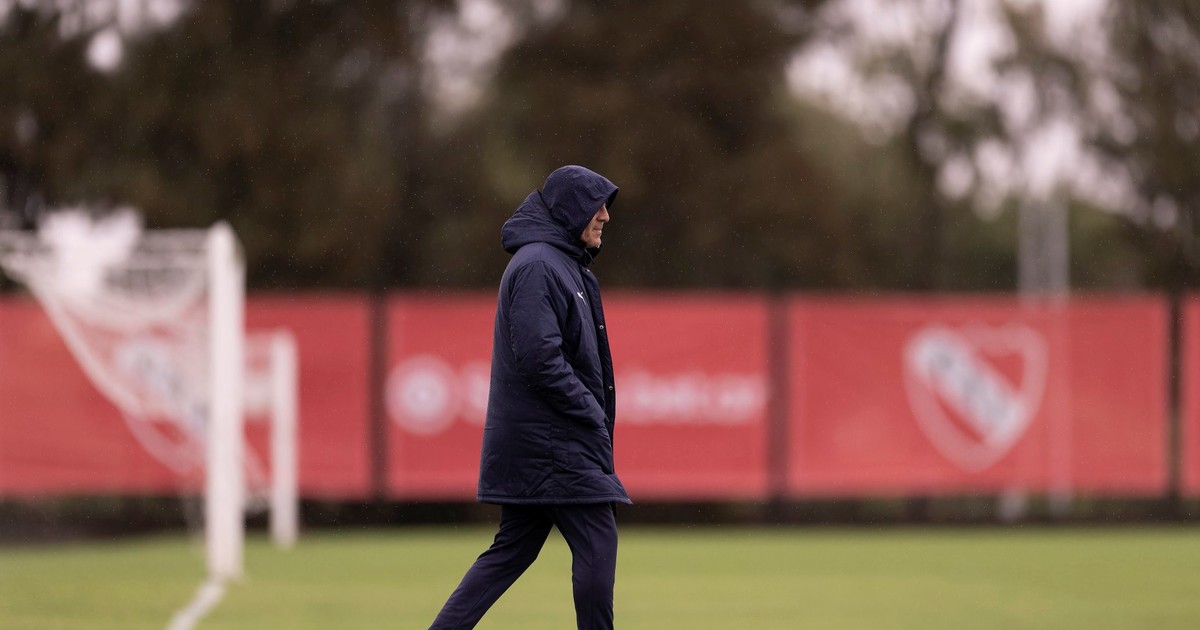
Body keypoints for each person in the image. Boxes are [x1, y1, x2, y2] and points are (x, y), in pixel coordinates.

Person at [429, 165, 631, 630]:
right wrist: (590, 411)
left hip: (543, 443)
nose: (605, 215)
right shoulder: (541, 265)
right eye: (596, 205)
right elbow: (539, 359)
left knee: (511, 552)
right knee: (598, 544)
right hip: (556, 444)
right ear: (570, 210)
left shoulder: (559, 263)